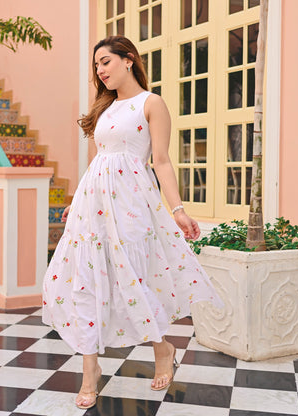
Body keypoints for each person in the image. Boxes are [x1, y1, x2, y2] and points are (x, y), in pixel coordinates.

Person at [42, 35, 223, 410]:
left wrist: (178, 209)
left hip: (132, 203)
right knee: (87, 281)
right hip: (94, 205)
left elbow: (161, 161)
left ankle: (163, 348)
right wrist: (78, 199)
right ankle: (90, 371)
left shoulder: (151, 103)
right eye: (96, 66)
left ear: (129, 60)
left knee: (135, 278)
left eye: (105, 62)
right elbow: (100, 161)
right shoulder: (104, 108)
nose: (100, 71)